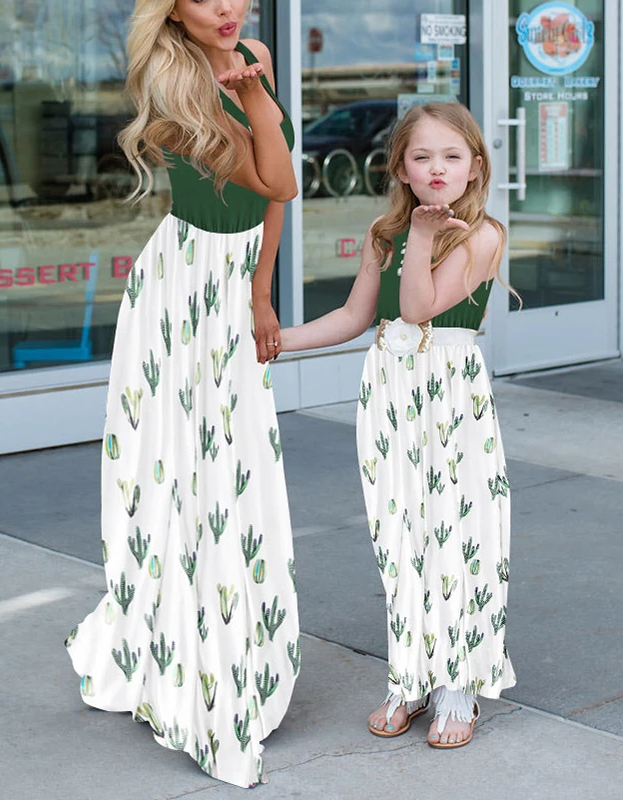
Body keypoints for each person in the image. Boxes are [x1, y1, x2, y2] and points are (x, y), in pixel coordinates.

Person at [65, 0, 300, 788]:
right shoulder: (170, 85)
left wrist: (264, 294)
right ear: (173, 9)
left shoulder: (251, 51)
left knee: (234, 472)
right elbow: (282, 178)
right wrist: (260, 99)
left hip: (233, 287)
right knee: (178, 472)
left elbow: (270, 208)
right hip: (183, 293)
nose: (228, 6)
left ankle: (238, 638)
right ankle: (180, 646)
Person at [281, 102, 516, 748]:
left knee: (456, 533)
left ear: (475, 166)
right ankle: (410, 673)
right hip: (388, 390)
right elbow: (359, 315)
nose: (437, 168)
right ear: (401, 168)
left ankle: (457, 682)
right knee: (400, 534)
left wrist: (420, 236)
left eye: (451, 156)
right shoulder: (383, 233)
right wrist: (277, 340)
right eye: (421, 157)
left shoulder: (483, 234)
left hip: (448, 393)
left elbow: (419, 307)